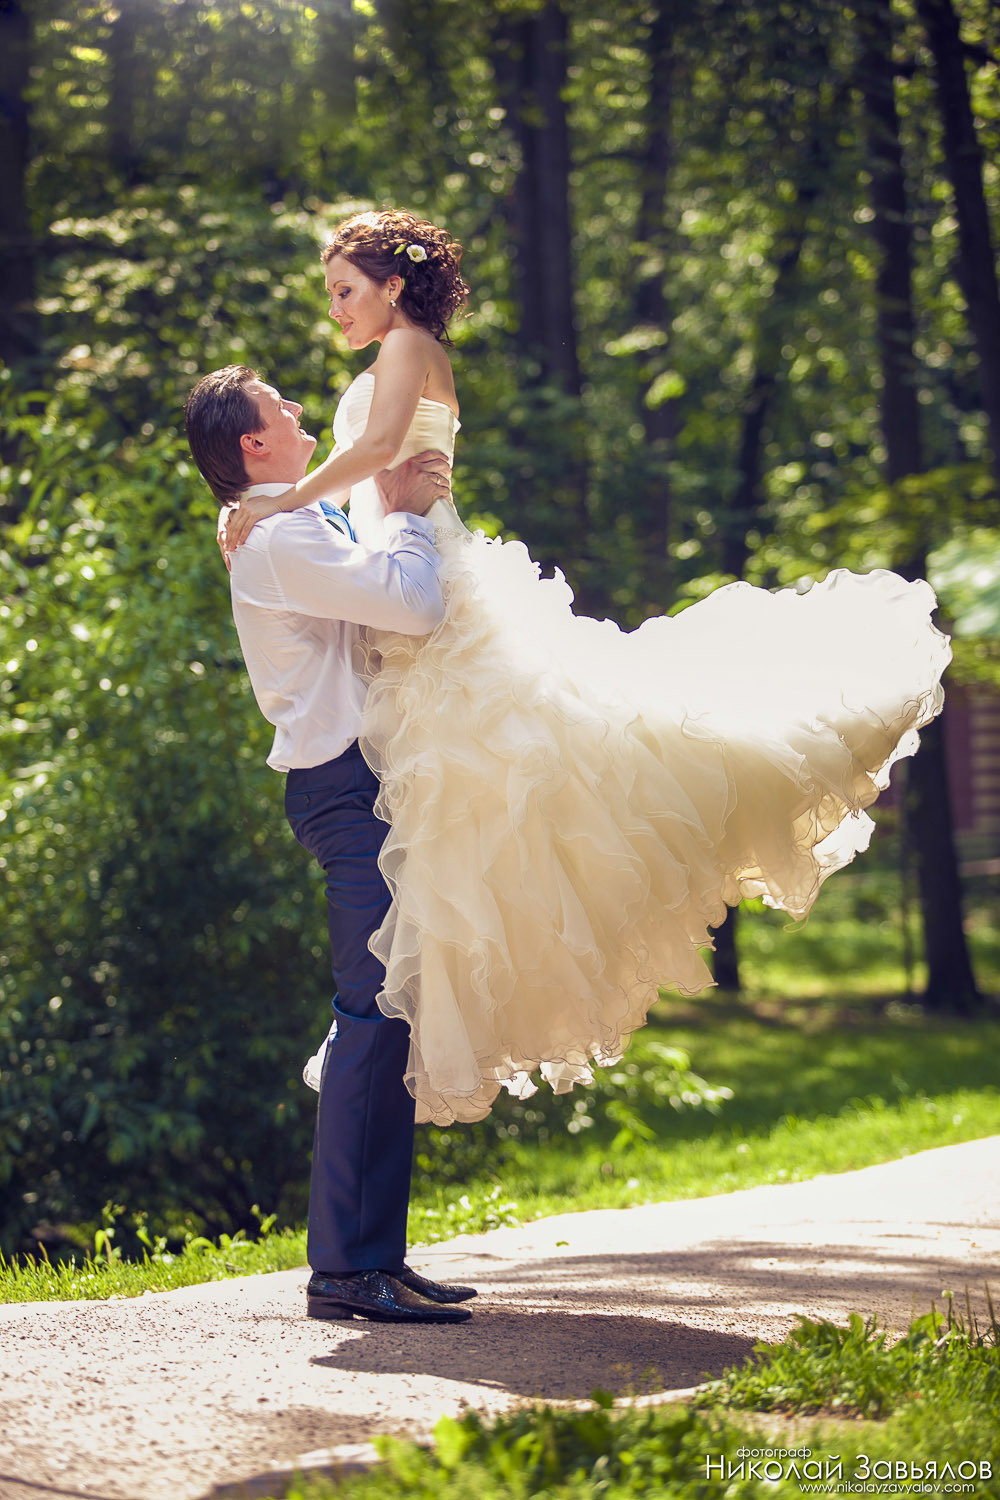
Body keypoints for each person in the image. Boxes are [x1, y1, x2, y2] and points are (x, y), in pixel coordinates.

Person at [223, 209, 952, 1132]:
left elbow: (370, 456)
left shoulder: (407, 348)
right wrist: (273, 514)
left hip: (428, 581)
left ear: (392, 287)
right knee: (474, 805)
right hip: (401, 573)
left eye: (343, 290)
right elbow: (356, 477)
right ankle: (405, 1021)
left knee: (532, 771)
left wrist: (284, 496)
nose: (335, 310)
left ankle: (405, 1025)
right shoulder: (389, 358)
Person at [184, 364, 474, 1325]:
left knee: (392, 1011)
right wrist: (397, 511)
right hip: (341, 793)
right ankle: (343, 1272)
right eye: (281, 406)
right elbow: (414, 605)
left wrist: (380, 497)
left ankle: (376, 1256)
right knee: (371, 1011)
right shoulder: (276, 540)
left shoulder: (287, 521)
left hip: (365, 785)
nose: (300, 409)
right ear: (253, 446)